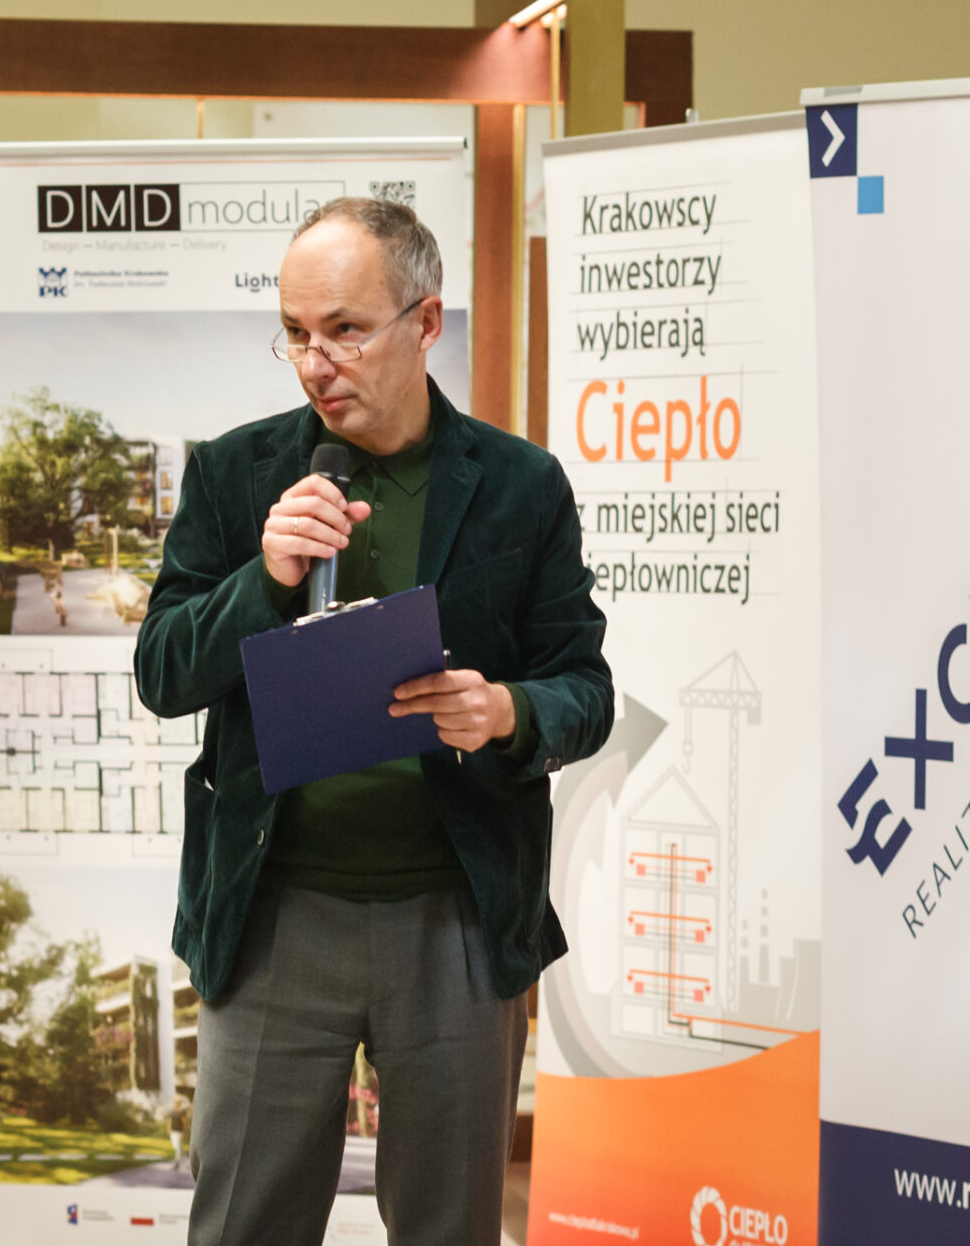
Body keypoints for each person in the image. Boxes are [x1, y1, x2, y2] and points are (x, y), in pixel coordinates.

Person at [134, 196, 613, 1246]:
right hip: (271, 911)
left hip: (454, 913)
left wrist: (506, 710)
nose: (316, 364)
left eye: (345, 330)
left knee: (448, 1227)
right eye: (296, 334)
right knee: (243, 1224)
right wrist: (262, 579)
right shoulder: (236, 474)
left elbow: (583, 688)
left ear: (426, 321)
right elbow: (162, 672)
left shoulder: (521, 485)